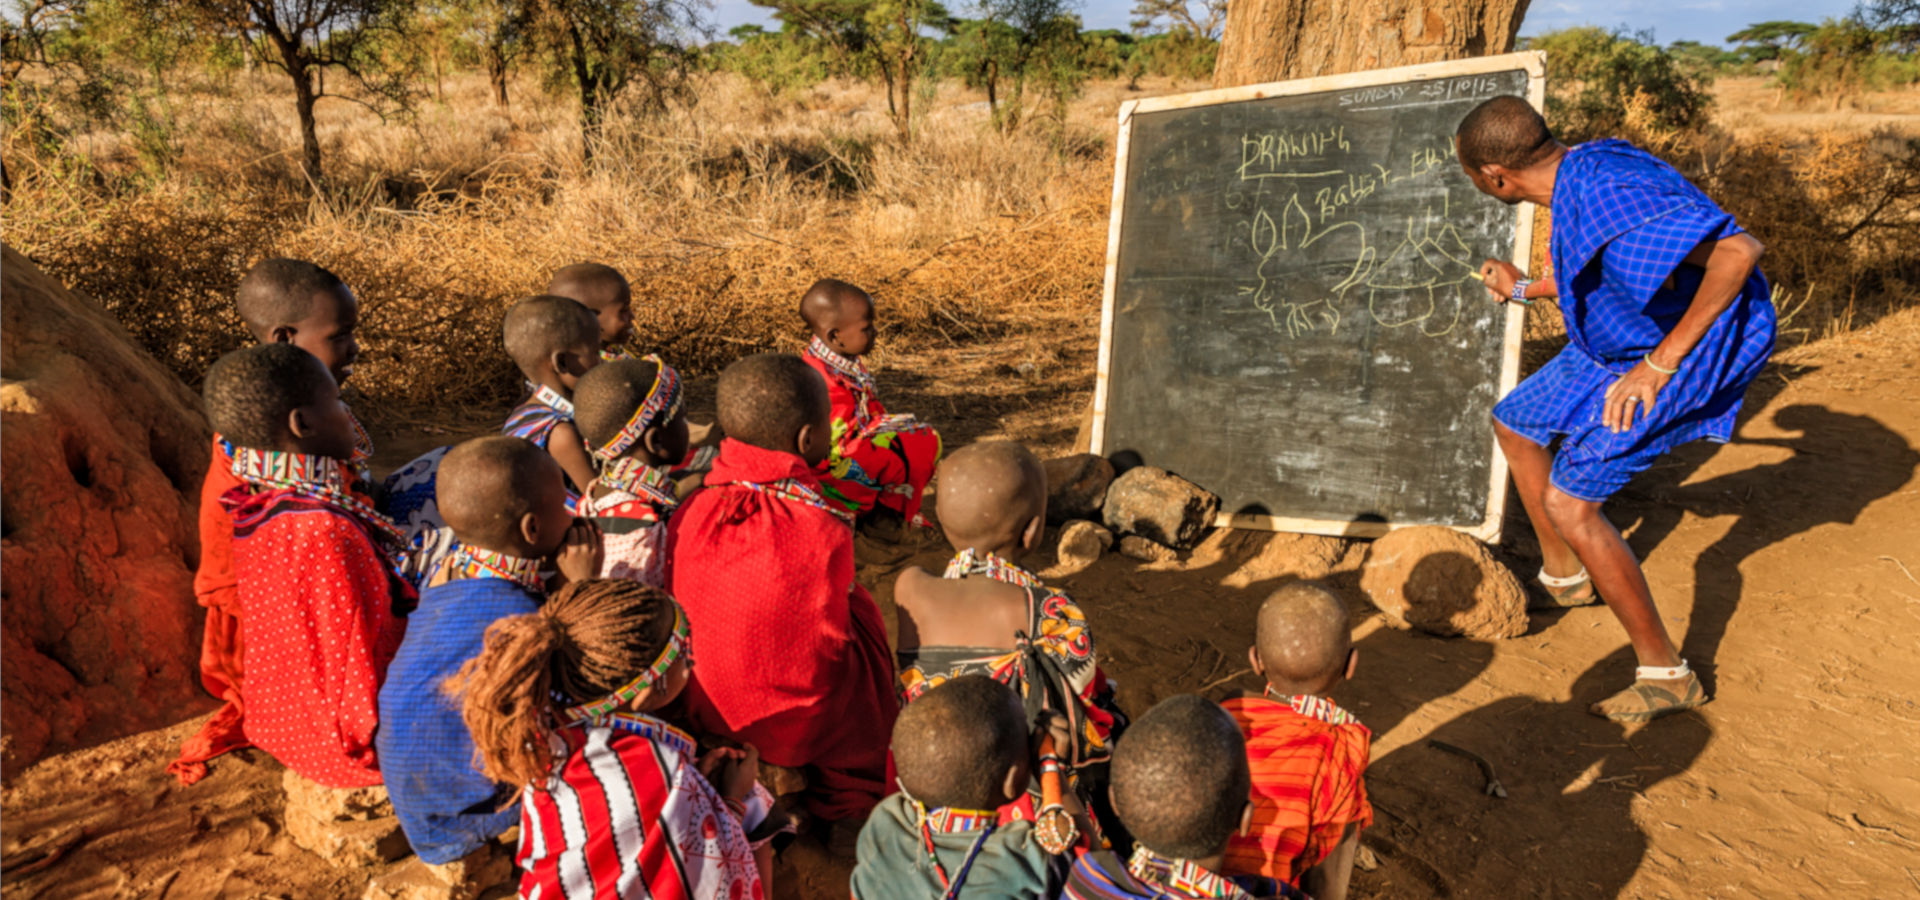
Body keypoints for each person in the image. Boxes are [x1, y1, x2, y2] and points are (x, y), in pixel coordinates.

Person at [1458, 96, 1774, 722]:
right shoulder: (1580, 171)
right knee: (1515, 422)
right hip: (1618, 341)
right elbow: (1608, 261)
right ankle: (1566, 578)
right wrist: (1523, 287)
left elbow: (1740, 252)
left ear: (1496, 176)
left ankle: (1666, 674)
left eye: (1473, 178)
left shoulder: (1604, 190)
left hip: (1684, 346)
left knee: (1570, 502)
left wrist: (1658, 367)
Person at [661, 353, 898, 822]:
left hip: (705, 709)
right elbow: (826, 644)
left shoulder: (691, 509)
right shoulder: (822, 527)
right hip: (791, 729)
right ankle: (843, 802)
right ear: (807, 439)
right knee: (865, 625)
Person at [449, 579, 783, 900]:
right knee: (757, 803)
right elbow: (710, 873)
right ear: (652, 685)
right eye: (684, 652)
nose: (692, 660)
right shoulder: (657, 771)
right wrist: (731, 801)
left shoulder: (551, 733)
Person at [170, 258, 372, 785]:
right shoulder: (266, 452)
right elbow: (309, 573)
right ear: (285, 336)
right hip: (267, 624)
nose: (354, 348)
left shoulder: (287, 411)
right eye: (342, 334)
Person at [375, 436, 604, 867]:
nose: (572, 514)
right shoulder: (522, 619)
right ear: (532, 529)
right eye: (563, 506)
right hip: (466, 814)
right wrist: (581, 588)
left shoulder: (444, 579)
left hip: (417, 789)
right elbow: (580, 681)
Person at [201, 344, 413, 788]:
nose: (347, 412)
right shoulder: (323, 530)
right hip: (348, 744)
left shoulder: (259, 498)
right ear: (303, 423)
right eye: (337, 401)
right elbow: (356, 657)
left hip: (290, 725)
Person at [894, 440, 1127, 834]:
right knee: (1108, 717)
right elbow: (1079, 694)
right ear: (1033, 530)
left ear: (940, 517)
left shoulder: (909, 587)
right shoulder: (1046, 608)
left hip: (930, 765)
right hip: (1016, 782)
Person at [851, 675, 1082, 900]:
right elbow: (1093, 870)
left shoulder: (885, 819)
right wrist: (1049, 768)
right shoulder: (1023, 858)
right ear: (1010, 781)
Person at [1065, 696, 1304, 900]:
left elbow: (1093, 851)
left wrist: (1050, 768)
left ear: (1114, 802)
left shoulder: (1086, 880)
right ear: (1244, 820)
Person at [1220, 583, 1370, 899]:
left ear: (1255, 660)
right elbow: (1325, 885)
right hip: (1272, 891)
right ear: (1351, 665)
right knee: (1346, 801)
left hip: (1183, 885)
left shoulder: (1224, 714)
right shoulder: (1341, 748)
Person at [797, 278, 943, 529]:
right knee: (915, 445)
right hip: (828, 474)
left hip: (845, 452)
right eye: (867, 327)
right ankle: (885, 517)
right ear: (836, 336)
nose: (875, 331)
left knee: (915, 439)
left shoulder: (835, 363)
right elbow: (833, 447)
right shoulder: (825, 384)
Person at [573, 356, 691, 586]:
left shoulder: (594, 499)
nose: (687, 425)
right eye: (682, 417)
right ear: (656, 440)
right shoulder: (645, 537)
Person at [501, 294, 602, 497]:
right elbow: (607, 503)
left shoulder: (525, 409)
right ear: (562, 362)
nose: (602, 362)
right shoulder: (561, 434)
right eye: (596, 352)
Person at [547, 262, 636, 362]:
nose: (632, 315)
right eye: (623, 310)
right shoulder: (587, 368)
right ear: (588, 319)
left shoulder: (615, 353)